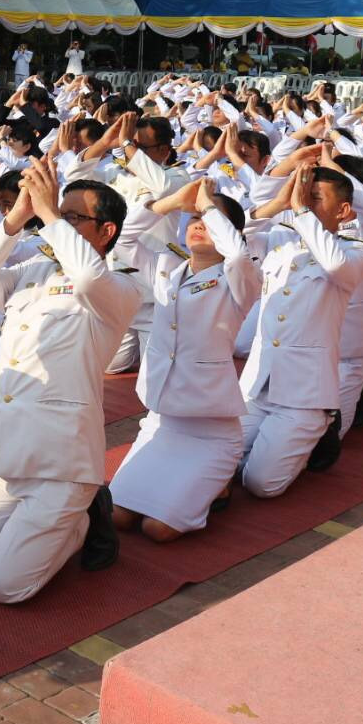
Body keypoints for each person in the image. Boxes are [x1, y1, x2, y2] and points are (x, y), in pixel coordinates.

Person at [0, 160, 138, 603]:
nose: (56, 220)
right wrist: (13, 221)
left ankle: (81, 519)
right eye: (59, 212)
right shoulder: (35, 272)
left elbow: (86, 276)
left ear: (107, 232)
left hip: (60, 465)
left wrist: (50, 215)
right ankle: (40, 527)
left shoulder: (117, 288)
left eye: (73, 217)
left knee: (6, 587)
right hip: (3, 454)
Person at [110, 180, 258, 541]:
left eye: (209, 220)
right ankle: (204, 489)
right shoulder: (166, 266)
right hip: (162, 422)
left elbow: (236, 255)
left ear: (230, 233)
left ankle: (216, 486)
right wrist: (170, 202)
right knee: (116, 516)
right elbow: (124, 241)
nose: (198, 223)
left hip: (211, 432)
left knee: (159, 529)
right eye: (193, 218)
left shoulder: (239, 278)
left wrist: (208, 205)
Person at [235, 165, 363, 496]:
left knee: (260, 485)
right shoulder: (282, 242)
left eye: (314, 197)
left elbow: (335, 265)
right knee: (216, 462)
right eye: (302, 195)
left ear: (343, 211)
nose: (304, 203)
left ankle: (317, 434)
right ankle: (295, 446)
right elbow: (233, 234)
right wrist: (275, 205)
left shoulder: (356, 252)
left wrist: (299, 211)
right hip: (259, 383)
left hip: (304, 396)